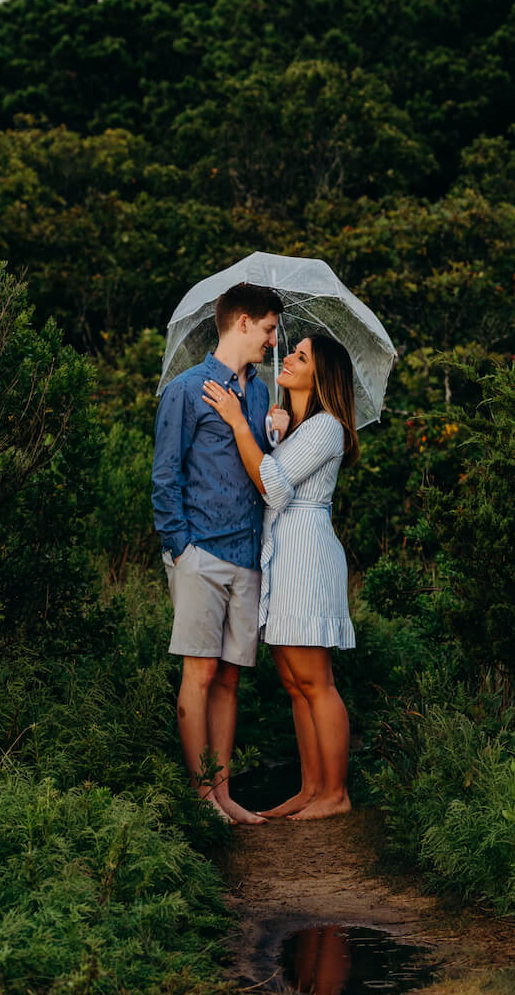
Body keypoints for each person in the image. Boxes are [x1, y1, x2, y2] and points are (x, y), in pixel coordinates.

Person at [202, 331, 359, 821]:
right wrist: (276, 432)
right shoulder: (301, 428)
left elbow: (272, 485)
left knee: (316, 681)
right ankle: (311, 789)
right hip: (284, 556)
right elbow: (279, 469)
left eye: (300, 356)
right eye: (291, 351)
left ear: (321, 374)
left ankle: (335, 793)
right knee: (294, 682)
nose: (287, 357)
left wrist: (237, 423)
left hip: (306, 558)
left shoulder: (327, 428)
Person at [151, 281, 283, 824]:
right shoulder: (186, 389)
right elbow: (166, 476)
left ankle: (225, 795)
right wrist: (180, 548)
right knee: (200, 676)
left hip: (247, 554)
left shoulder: (261, 394)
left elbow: (263, 473)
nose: (274, 342)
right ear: (243, 323)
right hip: (200, 552)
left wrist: (279, 430)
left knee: (229, 679)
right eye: (270, 330)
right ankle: (202, 799)